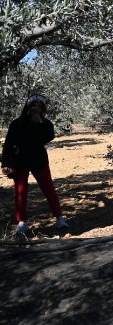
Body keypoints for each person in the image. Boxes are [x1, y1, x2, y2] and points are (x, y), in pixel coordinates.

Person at [1, 94, 68, 235]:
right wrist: (5, 163)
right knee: (20, 191)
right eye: (33, 106)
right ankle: (21, 222)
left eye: (38, 107)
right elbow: (8, 145)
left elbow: (47, 137)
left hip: (39, 160)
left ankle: (59, 218)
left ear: (42, 109)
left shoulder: (46, 124)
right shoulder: (16, 124)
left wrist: (39, 123)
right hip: (19, 161)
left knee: (48, 188)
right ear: (27, 107)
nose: (35, 109)